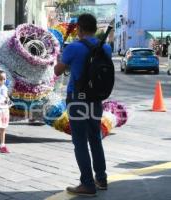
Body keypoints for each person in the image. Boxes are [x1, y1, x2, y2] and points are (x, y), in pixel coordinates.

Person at [54, 14, 112, 197]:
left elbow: (58, 70)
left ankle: (87, 184)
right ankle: (101, 178)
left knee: (80, 141)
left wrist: (60, 58)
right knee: (95, 137)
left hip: (77, 99)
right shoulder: (107, 48)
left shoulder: (74, 48)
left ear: (79, 28)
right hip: (95, 99)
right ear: (95, 28)